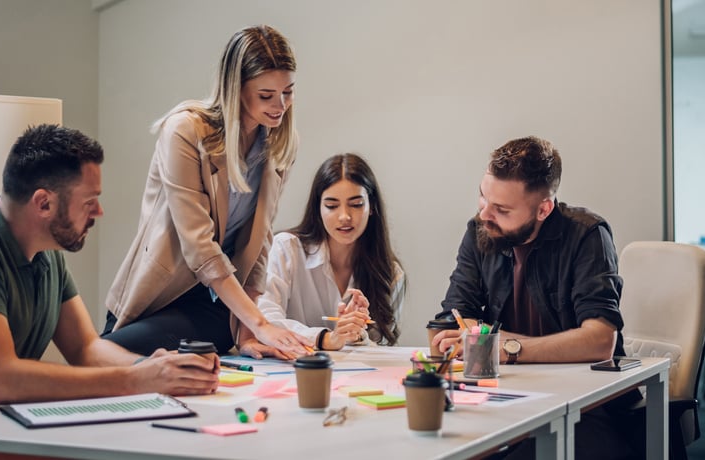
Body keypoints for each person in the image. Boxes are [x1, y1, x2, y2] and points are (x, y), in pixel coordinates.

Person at [0, 125, 219, 409]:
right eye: (89, 202)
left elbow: (85, 348)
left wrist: (157, 368)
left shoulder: (46, 252)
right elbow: (1, 379)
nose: (98, 212)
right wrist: (136, 380)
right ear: (44, 203)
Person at [103, 25, 309, 358]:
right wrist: (259, 323)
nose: (280, 105)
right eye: (266, 95)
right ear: (236, 90)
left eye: (288, 92)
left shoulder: (280, 145)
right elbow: (199, 247)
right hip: (158, 298)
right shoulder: (186, 130)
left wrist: (247, 332)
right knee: (97, 363)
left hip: (216, 306)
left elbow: (260, 242)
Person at [431, 136, 638, 460]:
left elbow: (600, 340)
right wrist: (478, 339)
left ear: (543, 209)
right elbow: (457, 314)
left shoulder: (586, 234)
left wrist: (506, 348)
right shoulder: (480, 230)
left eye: (501, 209)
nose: (485, 214)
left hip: (586, 404)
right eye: (483, 198)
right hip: (508, 395)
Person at [257, 154, 405, 351]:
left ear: (372, 207)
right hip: (293, 373)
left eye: (356, 204)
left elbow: (383, 347)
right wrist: (325, 339)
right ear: (318, 208)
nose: (344, 216)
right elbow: (265, 320)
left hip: (356, 379)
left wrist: (354, 333)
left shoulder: (390, 273)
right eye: (332, 206)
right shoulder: (286, 249)